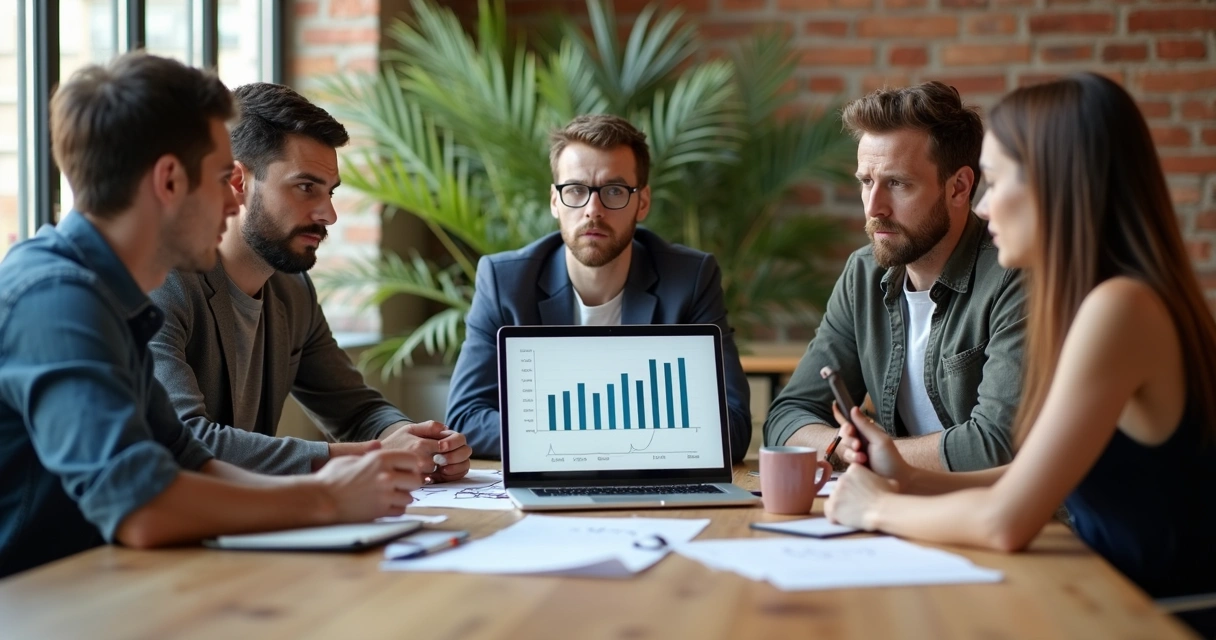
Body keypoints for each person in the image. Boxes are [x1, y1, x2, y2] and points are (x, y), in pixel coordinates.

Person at [0, 53, 426, 578]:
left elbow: (192, 460)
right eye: (223, 177)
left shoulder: (113, 294)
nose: (231, 202)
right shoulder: (57, 300)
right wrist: (324, 499)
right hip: (36, 600)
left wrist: (335, 488)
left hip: (108, 585)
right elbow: (140, 507)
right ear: (169, 181)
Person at [825, 73, 1216, 635]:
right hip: (1105, 599)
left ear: (1058, 187)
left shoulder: (1120, 309)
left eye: (996, 180)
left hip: (1151, 620)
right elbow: (1028, 480)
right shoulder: (1113, 300)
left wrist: (875, 507)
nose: (983, 208)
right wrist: (905, 478)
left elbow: (1006, 521)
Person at [149, 83, 471, 480]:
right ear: (237, 182)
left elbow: (355, 410)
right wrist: (373, 456)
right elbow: (184, 441)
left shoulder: (292, 290)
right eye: (306, 188)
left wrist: (417, 442)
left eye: (330, 192)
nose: (329, 215)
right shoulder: (161, 283)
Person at [446, 114, 752, 461]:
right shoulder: (505, 282)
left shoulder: (690, 279)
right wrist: (611, 439)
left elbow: (734, 426)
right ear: (555, 201)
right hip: (553, 479)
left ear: (643, 202)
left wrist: (564, 437)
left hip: (647, 484)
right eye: (576, 190)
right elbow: (466, 418)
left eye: (614, 191)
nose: (593, 210)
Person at [763, 82, 1025, 472]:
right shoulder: (864, 274)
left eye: (897, 183)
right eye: (866, 182)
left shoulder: (1013, 276)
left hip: (990, 506)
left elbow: (995, 446)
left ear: (959, 187)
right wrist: (845, 448)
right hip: (897, 501)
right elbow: (787, 416)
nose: (874, 208)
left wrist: (877, 455)